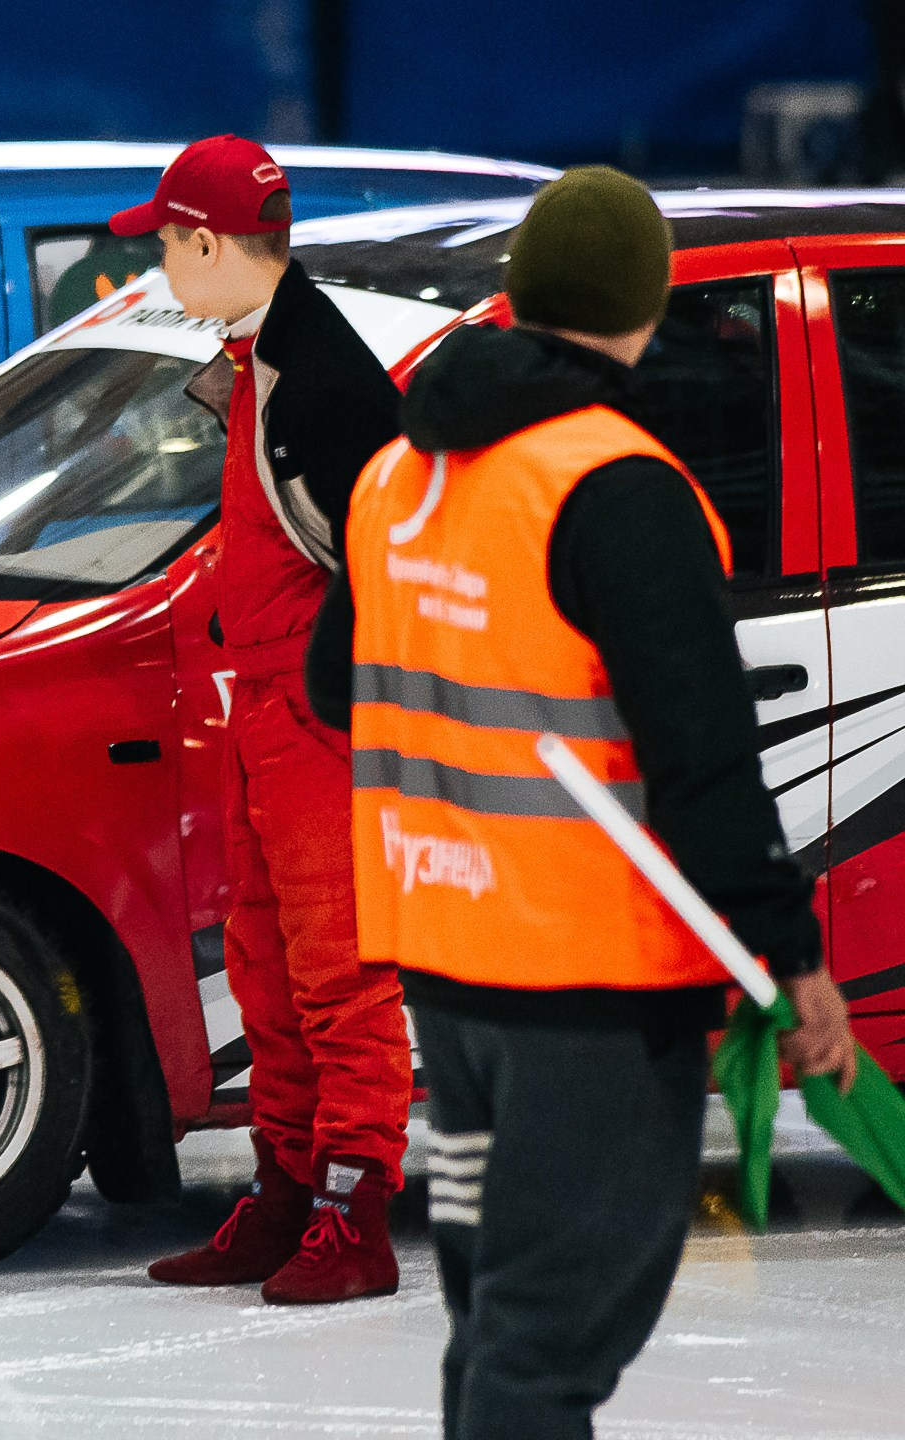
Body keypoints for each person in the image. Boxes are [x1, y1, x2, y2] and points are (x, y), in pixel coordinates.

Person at [307, 167, 859, 1437]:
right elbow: (702, 755)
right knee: (546, 1336)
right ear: (647, 306)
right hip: (586, 992)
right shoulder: (614, 483)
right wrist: (788, 957)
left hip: (446, 973)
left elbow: (338, 683)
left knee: (497, 1321)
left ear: (514, 293)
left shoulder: (397, 476)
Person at [116, 136, 414, 1304]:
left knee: (340, 975)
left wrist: (334, 698)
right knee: (266, 969)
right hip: (263, 710)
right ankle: (286, 1193)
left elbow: (391, 566)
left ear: (206, 243)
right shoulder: (260, 361)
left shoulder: (325, 382)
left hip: (317, 716)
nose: (160, 269)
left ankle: (355, 1214)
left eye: (165, 245)